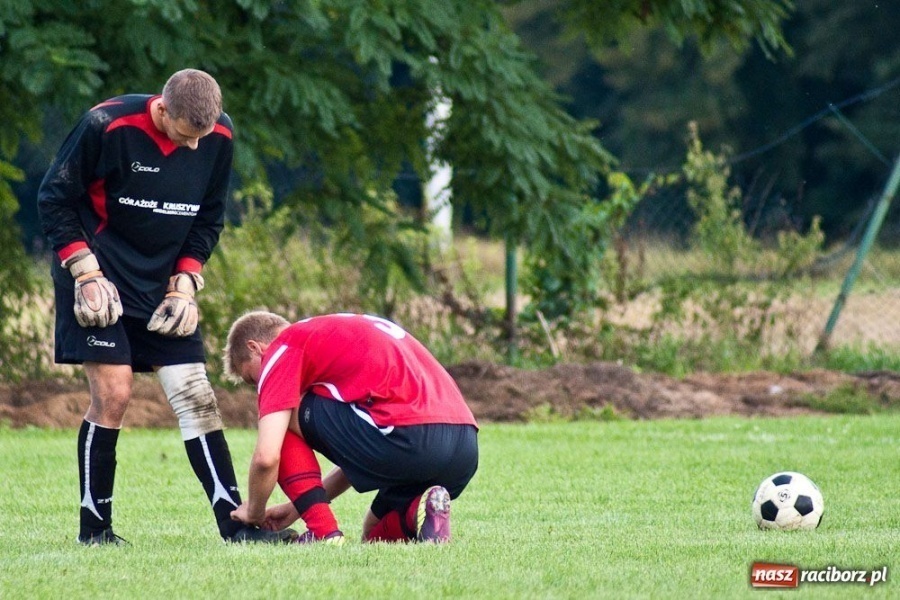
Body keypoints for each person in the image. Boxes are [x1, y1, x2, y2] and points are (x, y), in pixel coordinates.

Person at [37, 68, 296, 546]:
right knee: (114, 395)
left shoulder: (218, 134)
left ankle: (235, 528)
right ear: (161, 109)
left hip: (162, 285)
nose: (195, 148)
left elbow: (210, 216)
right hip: (98, 276)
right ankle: (95, 532)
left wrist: (186, 279)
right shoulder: (105, 125)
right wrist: (83, 270)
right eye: (184, 135)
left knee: (195, 393)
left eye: (203, 136)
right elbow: (54, 199)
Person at [224, 311, 479, 544]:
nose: (258, 386)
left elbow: (267, 457)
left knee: (283, 413)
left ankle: (323, 533)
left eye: (250, 378)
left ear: (255, 348)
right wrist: (295, 508)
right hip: (464, 448)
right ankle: (422, 510)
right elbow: (355, 450)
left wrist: (254, 511)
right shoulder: (335, 334)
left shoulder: (284, 346)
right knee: (373, 533)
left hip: (407, 437)